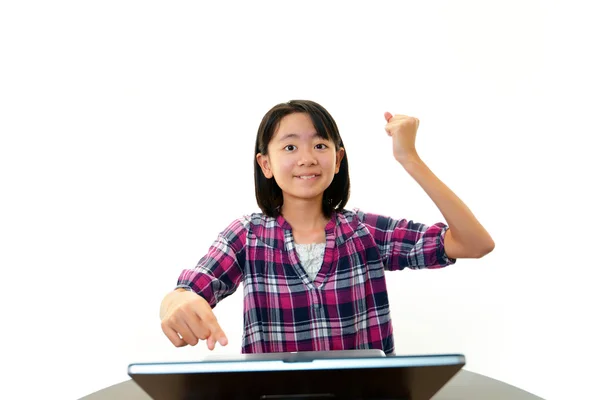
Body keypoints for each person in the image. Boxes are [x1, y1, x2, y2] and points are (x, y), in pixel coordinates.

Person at [159, 100, 494, 355]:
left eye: (320, 145)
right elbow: (189, 290)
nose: (307, 158)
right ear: (266, 164)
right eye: (290, 147)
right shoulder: (247, 236)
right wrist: (177, 301)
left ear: (337, 159)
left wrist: (409, 157)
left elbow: (474, 243)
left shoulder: (364, 231)